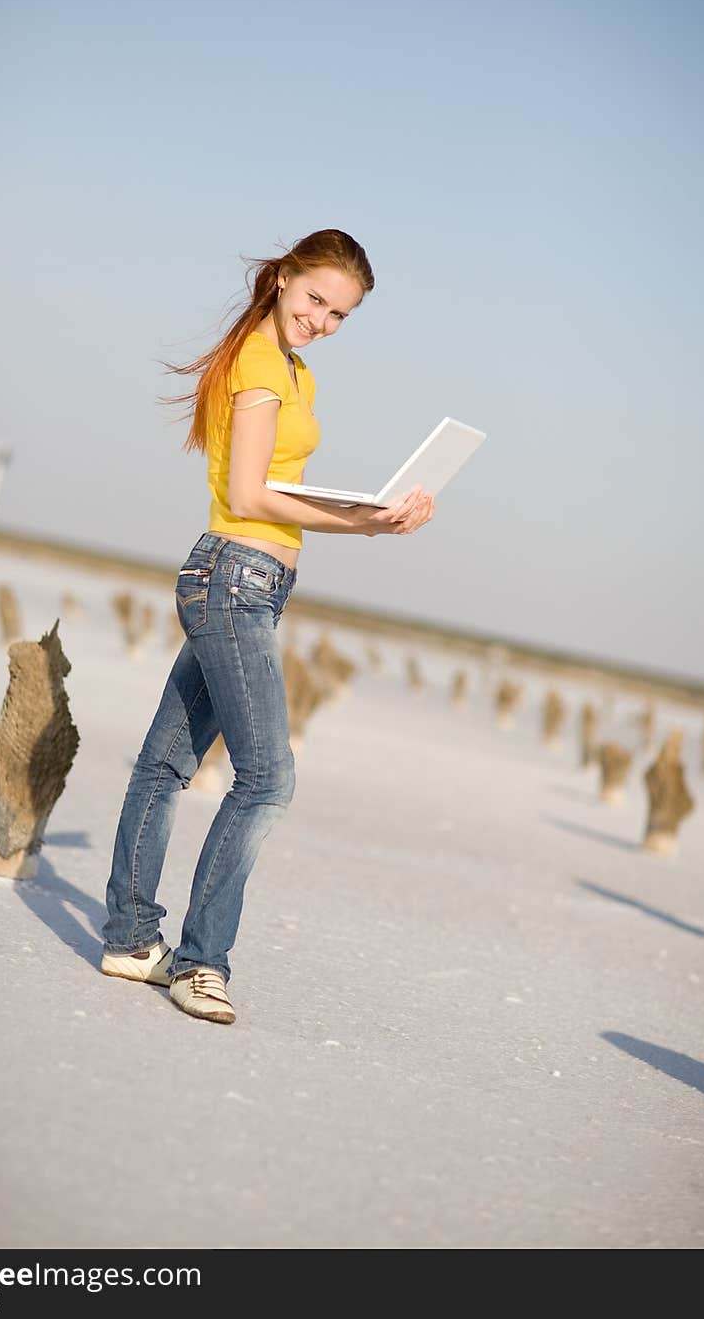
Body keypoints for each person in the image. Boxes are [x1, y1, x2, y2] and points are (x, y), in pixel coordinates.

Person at [99, 228, 435, 1024]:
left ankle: (129, 940)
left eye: (340, 314)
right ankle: (200, 964)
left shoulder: (295, 372)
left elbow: (276, 492)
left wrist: (372, 514)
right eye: (316, 299)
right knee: (268, 780)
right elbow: (249, 495)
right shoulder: (257, 359)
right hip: (232, 577)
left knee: (164, 766)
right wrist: (366, 527)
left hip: (254, 582)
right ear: (283, 279)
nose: (322, 320)